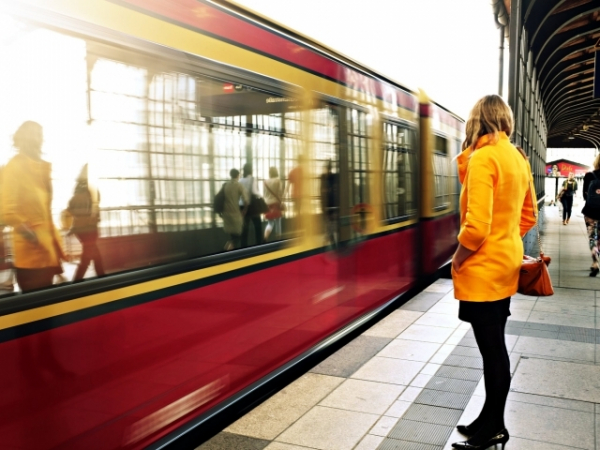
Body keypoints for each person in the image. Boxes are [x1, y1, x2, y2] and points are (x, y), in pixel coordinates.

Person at [451, 95, 537, 450]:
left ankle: (495, 427)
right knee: (493, 347)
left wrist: (457, 258)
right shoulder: (516, 157)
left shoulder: (484, 157)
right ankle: (488, 419)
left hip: (484, 271)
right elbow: (528, 216)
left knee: (492, 349)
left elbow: (476, 229)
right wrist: (505, 242)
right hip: (505, 267)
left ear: (476, 120)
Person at [1, 121, 65, 292]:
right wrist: (34, 237)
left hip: (48, 253)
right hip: (31, 258)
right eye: (35, 134)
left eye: (40, 134)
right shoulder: (15, 166)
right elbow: (8, 211)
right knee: (38, 310)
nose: (39, 138)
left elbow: (46, 212)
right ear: (23, 138)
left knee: (48, 308)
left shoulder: (42, 168)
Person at [67, 165, 105, 281]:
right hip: (90, 229)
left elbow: (70, 208)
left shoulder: (77, 190)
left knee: (95, 255)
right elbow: (97, 204)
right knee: (87, 257)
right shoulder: (92, 190)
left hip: (80, 230)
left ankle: (102, 277)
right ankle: (77, 282)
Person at [581, 155, 600, 276]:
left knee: (592, 237)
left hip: (591, 212)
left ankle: (595, 262)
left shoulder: (589, 176)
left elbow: (585, 195)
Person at [222, 168, 248, 250]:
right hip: (235, 213)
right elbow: (246, 200)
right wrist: (245, 210)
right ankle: (227, 251)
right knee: (237, 236)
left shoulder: (225, 185)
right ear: (237, 175)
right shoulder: (239, 185)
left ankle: (228, 250)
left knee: (232, 235)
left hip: (226, 213)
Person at [239, 163, 263, 247]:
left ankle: (243, 247)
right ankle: (259, 245)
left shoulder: (240, 180)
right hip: (252, 206)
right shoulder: (252, 179)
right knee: (258, 226)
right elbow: (254, 191)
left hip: (242, 206)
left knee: (244, 228)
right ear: (251, 170)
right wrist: (260, 195)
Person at [320, 159, 339, 247]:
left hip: (331, 204)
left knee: (329, 225)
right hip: (329, 204)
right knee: (329, 225)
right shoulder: (328, 177)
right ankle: (331, 241)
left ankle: (329, 241)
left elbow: (322, 192)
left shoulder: (328, 177)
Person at [263, 166, 284, 242]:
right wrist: (281, 202)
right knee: (278, 221)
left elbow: (264, 194)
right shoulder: (278, 181)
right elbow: (280, 192)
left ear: (269, 173)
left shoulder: (265, 182)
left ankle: (265, 237)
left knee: (270, 223)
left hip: (267, 204)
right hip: (276, 203)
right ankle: (278, 239)